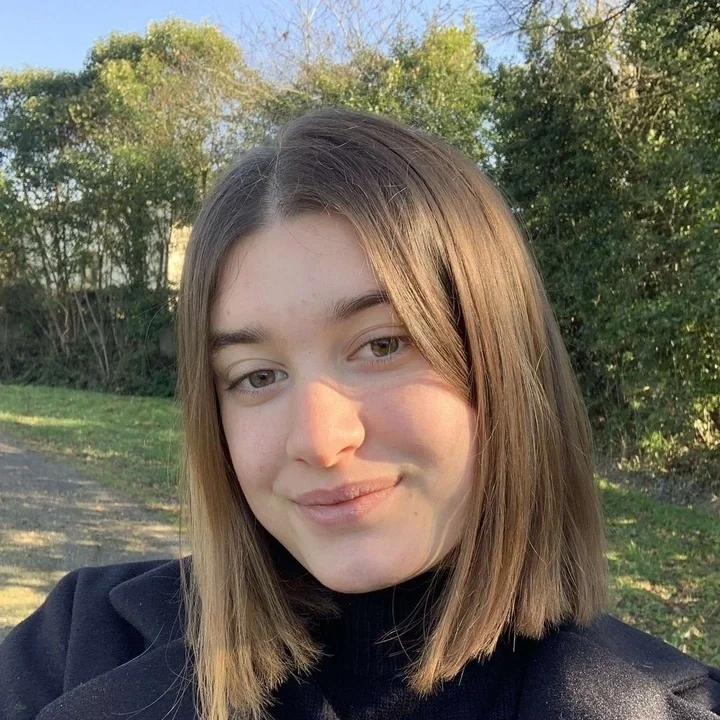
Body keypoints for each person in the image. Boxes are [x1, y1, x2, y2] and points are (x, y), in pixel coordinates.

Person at [1, 108, 718, 720]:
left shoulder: (664, 704)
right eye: (257, 376)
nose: (318, 440)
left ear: (501, 362)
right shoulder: (74, 646)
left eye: (382, 345)